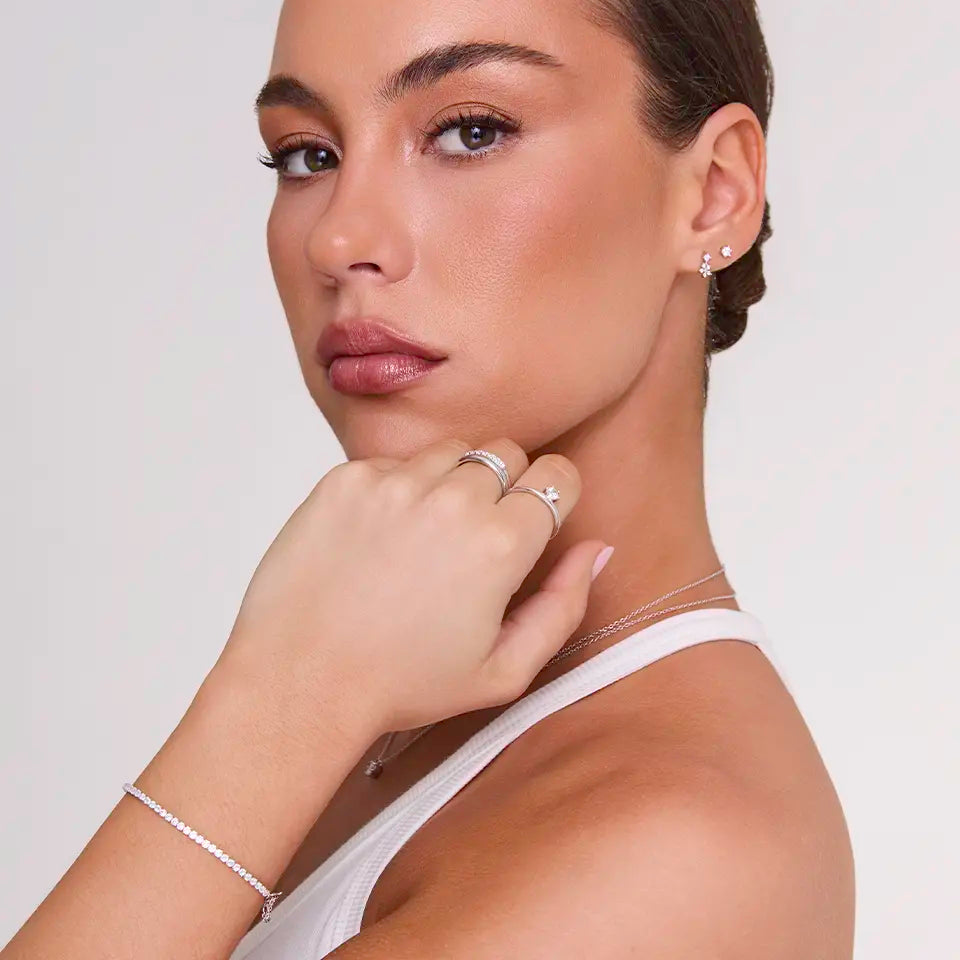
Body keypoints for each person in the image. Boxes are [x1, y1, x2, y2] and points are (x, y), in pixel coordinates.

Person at [2, 0, 856, 957]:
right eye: (307, 154)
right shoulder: (388, 679)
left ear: (715, 193)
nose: (337, 240)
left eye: (470, 131)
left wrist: (286, 703)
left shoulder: (681, 852)